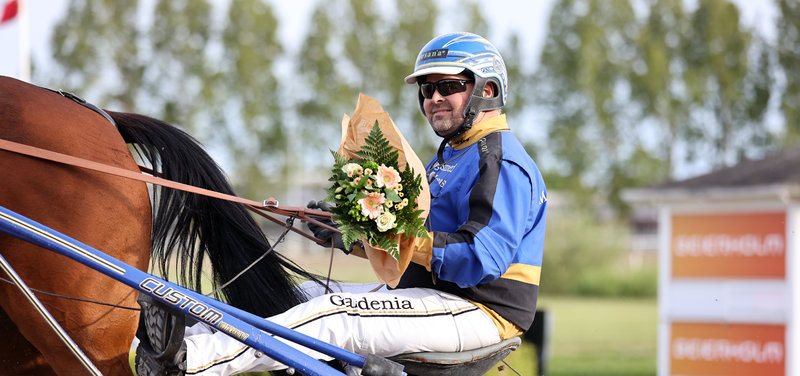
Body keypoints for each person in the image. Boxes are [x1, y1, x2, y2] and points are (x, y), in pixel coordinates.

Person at [135, 31, 547, 376]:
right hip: (432, 296)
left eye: (449, 86)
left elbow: (480, 257)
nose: (434, 97)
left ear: (487, 90)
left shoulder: (499, 160)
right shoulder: (454, 155)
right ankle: (176, 340)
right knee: (307, 294)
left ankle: (190, 364)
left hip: (479, 312)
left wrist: (394, 236)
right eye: (427, 88)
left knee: (334, 314)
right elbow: (421, 241)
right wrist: (348, 235)